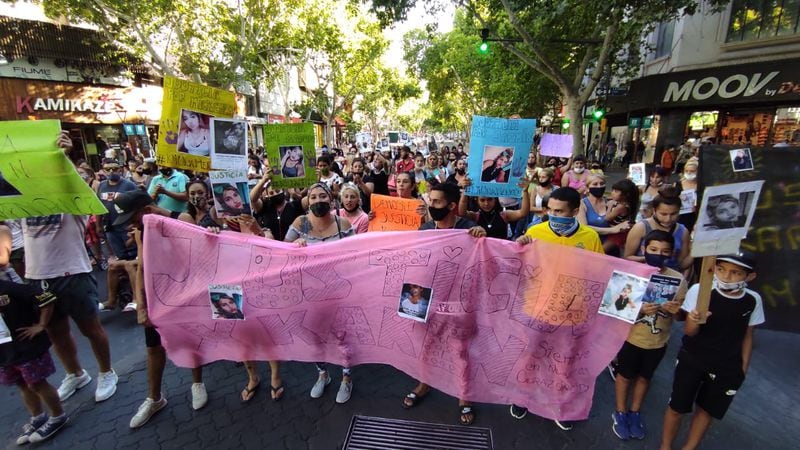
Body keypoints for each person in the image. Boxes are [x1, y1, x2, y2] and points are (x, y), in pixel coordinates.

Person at [22, 131, 118, 404]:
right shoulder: (21, 203)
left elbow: (87, 198)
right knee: (55, 331)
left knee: (90, 328)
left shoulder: (70, 199)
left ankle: (106, 372)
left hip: (72, 272)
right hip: (38, 276)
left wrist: (64, 158)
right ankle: (75, 374)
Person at [513, 187, 603, 429]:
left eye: (559, 211)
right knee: (530, 356)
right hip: (536, 309)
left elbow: (599, 274)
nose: (553, 215)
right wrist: (519, 248)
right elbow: (520, 269)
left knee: (564, 363)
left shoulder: (590, 238)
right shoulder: (534, 232)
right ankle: (523, 397)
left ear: (575, 211)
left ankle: (557, 404)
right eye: (550, 209)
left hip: (573, 314)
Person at [401, 183, 487, 426]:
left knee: (459, 349)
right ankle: (424, 383)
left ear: (451, 205)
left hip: (459, 298)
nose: (432, 206)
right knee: (426, 345)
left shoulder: (469, 229)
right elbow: (417, 262)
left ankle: (464, 394)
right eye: (431, 201)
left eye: (437, 202)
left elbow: (485, 260)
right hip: (427, 295)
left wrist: (482, 238)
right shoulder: (426, 228)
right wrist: (411, 298)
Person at [659, 252, 763, 450]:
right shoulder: (700, 290)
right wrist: (694, 319)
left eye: (735, 273)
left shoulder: (753, 300)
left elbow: (748, 335)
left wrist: (743, 368)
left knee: (706, 411)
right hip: (693, 359)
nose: (726, 276)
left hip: (727, 366)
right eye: (721, 269)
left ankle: (690, 447)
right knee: (677, 407)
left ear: (749, 277)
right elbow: (690, 332)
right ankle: (665, 446)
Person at [285, 183, 355, 404]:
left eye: (322, 196)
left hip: (338, 292)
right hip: (309, 293)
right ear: (308, 201)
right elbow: (283, 252)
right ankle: (322, 374)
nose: (317, 200)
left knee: (341, 337)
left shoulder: (342, 223)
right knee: (315, 336)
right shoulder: (299, 223)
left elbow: (357, 255)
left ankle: (346, 378)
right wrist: (295, 245)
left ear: (331, 199)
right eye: (313, 197)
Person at [612, 230, 686, 441]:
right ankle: (620, 411)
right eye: (653, 250)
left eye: (665, 252)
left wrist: (676, 311)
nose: (658, 255)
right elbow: (614, 307)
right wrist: (641, 310)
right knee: (625, 376)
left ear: (671, 254)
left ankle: (635, 411)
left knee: (645, 378)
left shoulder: (678, 279)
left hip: (658, 341)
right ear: (644, 249)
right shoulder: (630, 273)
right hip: (630, 338)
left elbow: (682, 316)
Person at [0, 279, 68, 444]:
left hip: (26, 347)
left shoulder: (8, 288)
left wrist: (41, 324)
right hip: (5, 352)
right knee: (21, 384)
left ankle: (58, 415)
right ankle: (38, 416)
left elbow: (45, 297)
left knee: (37, 383)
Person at [625, 188, 692, 273]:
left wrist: (694, 252)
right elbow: (627, 257)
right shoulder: (640, 228)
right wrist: (651, 258)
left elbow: (681, 265)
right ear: (654, 211)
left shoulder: (683, 232)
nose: (668, 219)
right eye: (663, 214)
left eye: (673, 214)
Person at [458, 177, 531, 240]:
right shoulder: (475, 216)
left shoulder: (504, 215)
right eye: (482, 200)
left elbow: (523, 213)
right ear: (477, 201)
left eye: (490, 199)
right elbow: (462, 212)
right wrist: (465, 191)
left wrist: (525, 191)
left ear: (495, 200)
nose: (486, 203)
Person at [250, 172, 304, 242]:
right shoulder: (264, 206)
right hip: (270, 248)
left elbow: (310, 199)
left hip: (292, 247)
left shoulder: (295, 205)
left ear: (283, 191)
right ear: (267, 196)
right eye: (271, 193)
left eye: (277, 191)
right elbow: (252, 198)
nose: (275, 194)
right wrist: (263, 180)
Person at [677, 158, 699, 231]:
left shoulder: (701, 185)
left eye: (692, 171)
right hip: (682, 217)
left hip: (697, 216)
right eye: (686, 171)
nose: (689, 173)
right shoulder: (678, 184)